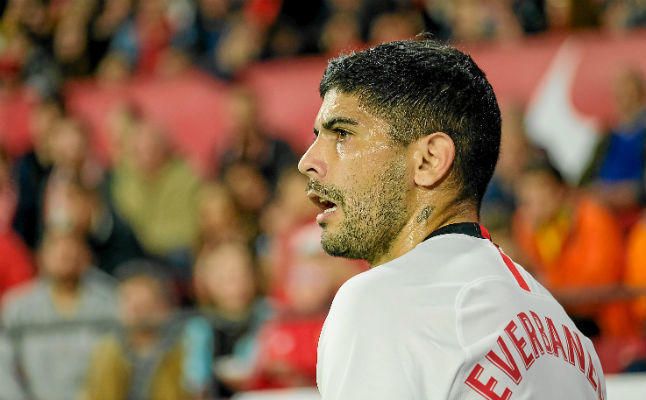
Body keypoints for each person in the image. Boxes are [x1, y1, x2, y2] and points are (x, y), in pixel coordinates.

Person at [297, 38, 607, 399]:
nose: (308, 161)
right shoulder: (572, 341)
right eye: (317, 136)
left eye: (342, 133)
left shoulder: (380, 302)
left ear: (429, 160)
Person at [1, 229, 117, 400]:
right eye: (57, 249)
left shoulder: (111, 302)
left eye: (73, 249)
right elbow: (3, 366)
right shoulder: (18, 307)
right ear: (40, 257)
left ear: (88, 256)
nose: (66, 255)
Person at [83, 261, 213, 400]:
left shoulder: (185, 347)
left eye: (145, 304)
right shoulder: (107, 350)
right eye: (129, 302)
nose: (137, 313)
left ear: (164, 306)